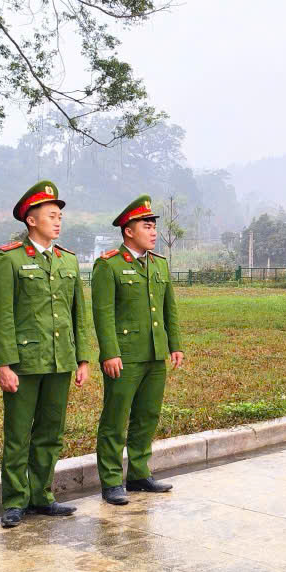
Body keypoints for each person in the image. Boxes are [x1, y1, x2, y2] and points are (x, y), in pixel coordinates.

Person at [0, 181, 91, 529]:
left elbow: (78, 314)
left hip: (60, 360)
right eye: (51, 215)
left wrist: (82, 358)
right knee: (18, 434)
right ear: (31, 220)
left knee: (51, 432)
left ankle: (42, 495)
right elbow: (1, 316)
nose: (57, 221)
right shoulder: (10, 259)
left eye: (59, 216)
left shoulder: (67, 260)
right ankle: (15, 500)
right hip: (25, 362)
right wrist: (4, 364)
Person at [92, 195, 185, 505]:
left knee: (147, 415)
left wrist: (175, 345)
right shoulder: (109, 265)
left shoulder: (159, 264)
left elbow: (169, 308)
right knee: (115, 419)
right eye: (147, 226)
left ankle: (139, 474)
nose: (153, 232)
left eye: (154, 226)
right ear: (128, 231)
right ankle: (110, 481)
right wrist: (109, 352)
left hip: (155, 354)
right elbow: (103, 313)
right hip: (125, 356)